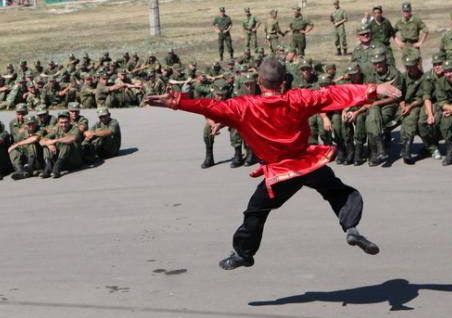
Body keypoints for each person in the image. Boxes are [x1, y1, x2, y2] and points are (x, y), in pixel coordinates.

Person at [145, 56, 400, 270]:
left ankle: (243, 254)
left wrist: (177, 102)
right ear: (284, 82)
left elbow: (209, 106)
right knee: (339, 191)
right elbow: (331, 93)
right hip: (308, 163)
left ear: (258, 81)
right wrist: (371, 89)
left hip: (281, 173)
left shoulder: (242, 107)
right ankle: (351, 227)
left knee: (255, 213)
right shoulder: (298, 99)